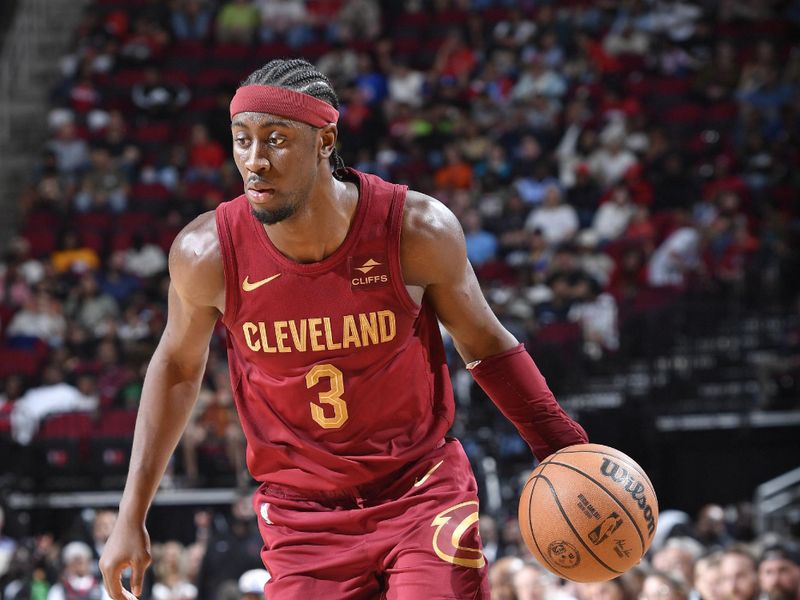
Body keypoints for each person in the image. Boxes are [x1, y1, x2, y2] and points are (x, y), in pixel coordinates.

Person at [99, 58, 588, 599]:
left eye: (276, 139)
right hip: (300, 516)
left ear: (325, 139)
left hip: (420, 492)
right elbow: (175, 370)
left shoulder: (414, 229)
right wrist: (131, 513)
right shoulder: (205, 253)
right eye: (241, 141)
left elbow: (487, 347)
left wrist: (568, 452)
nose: (255, 161)